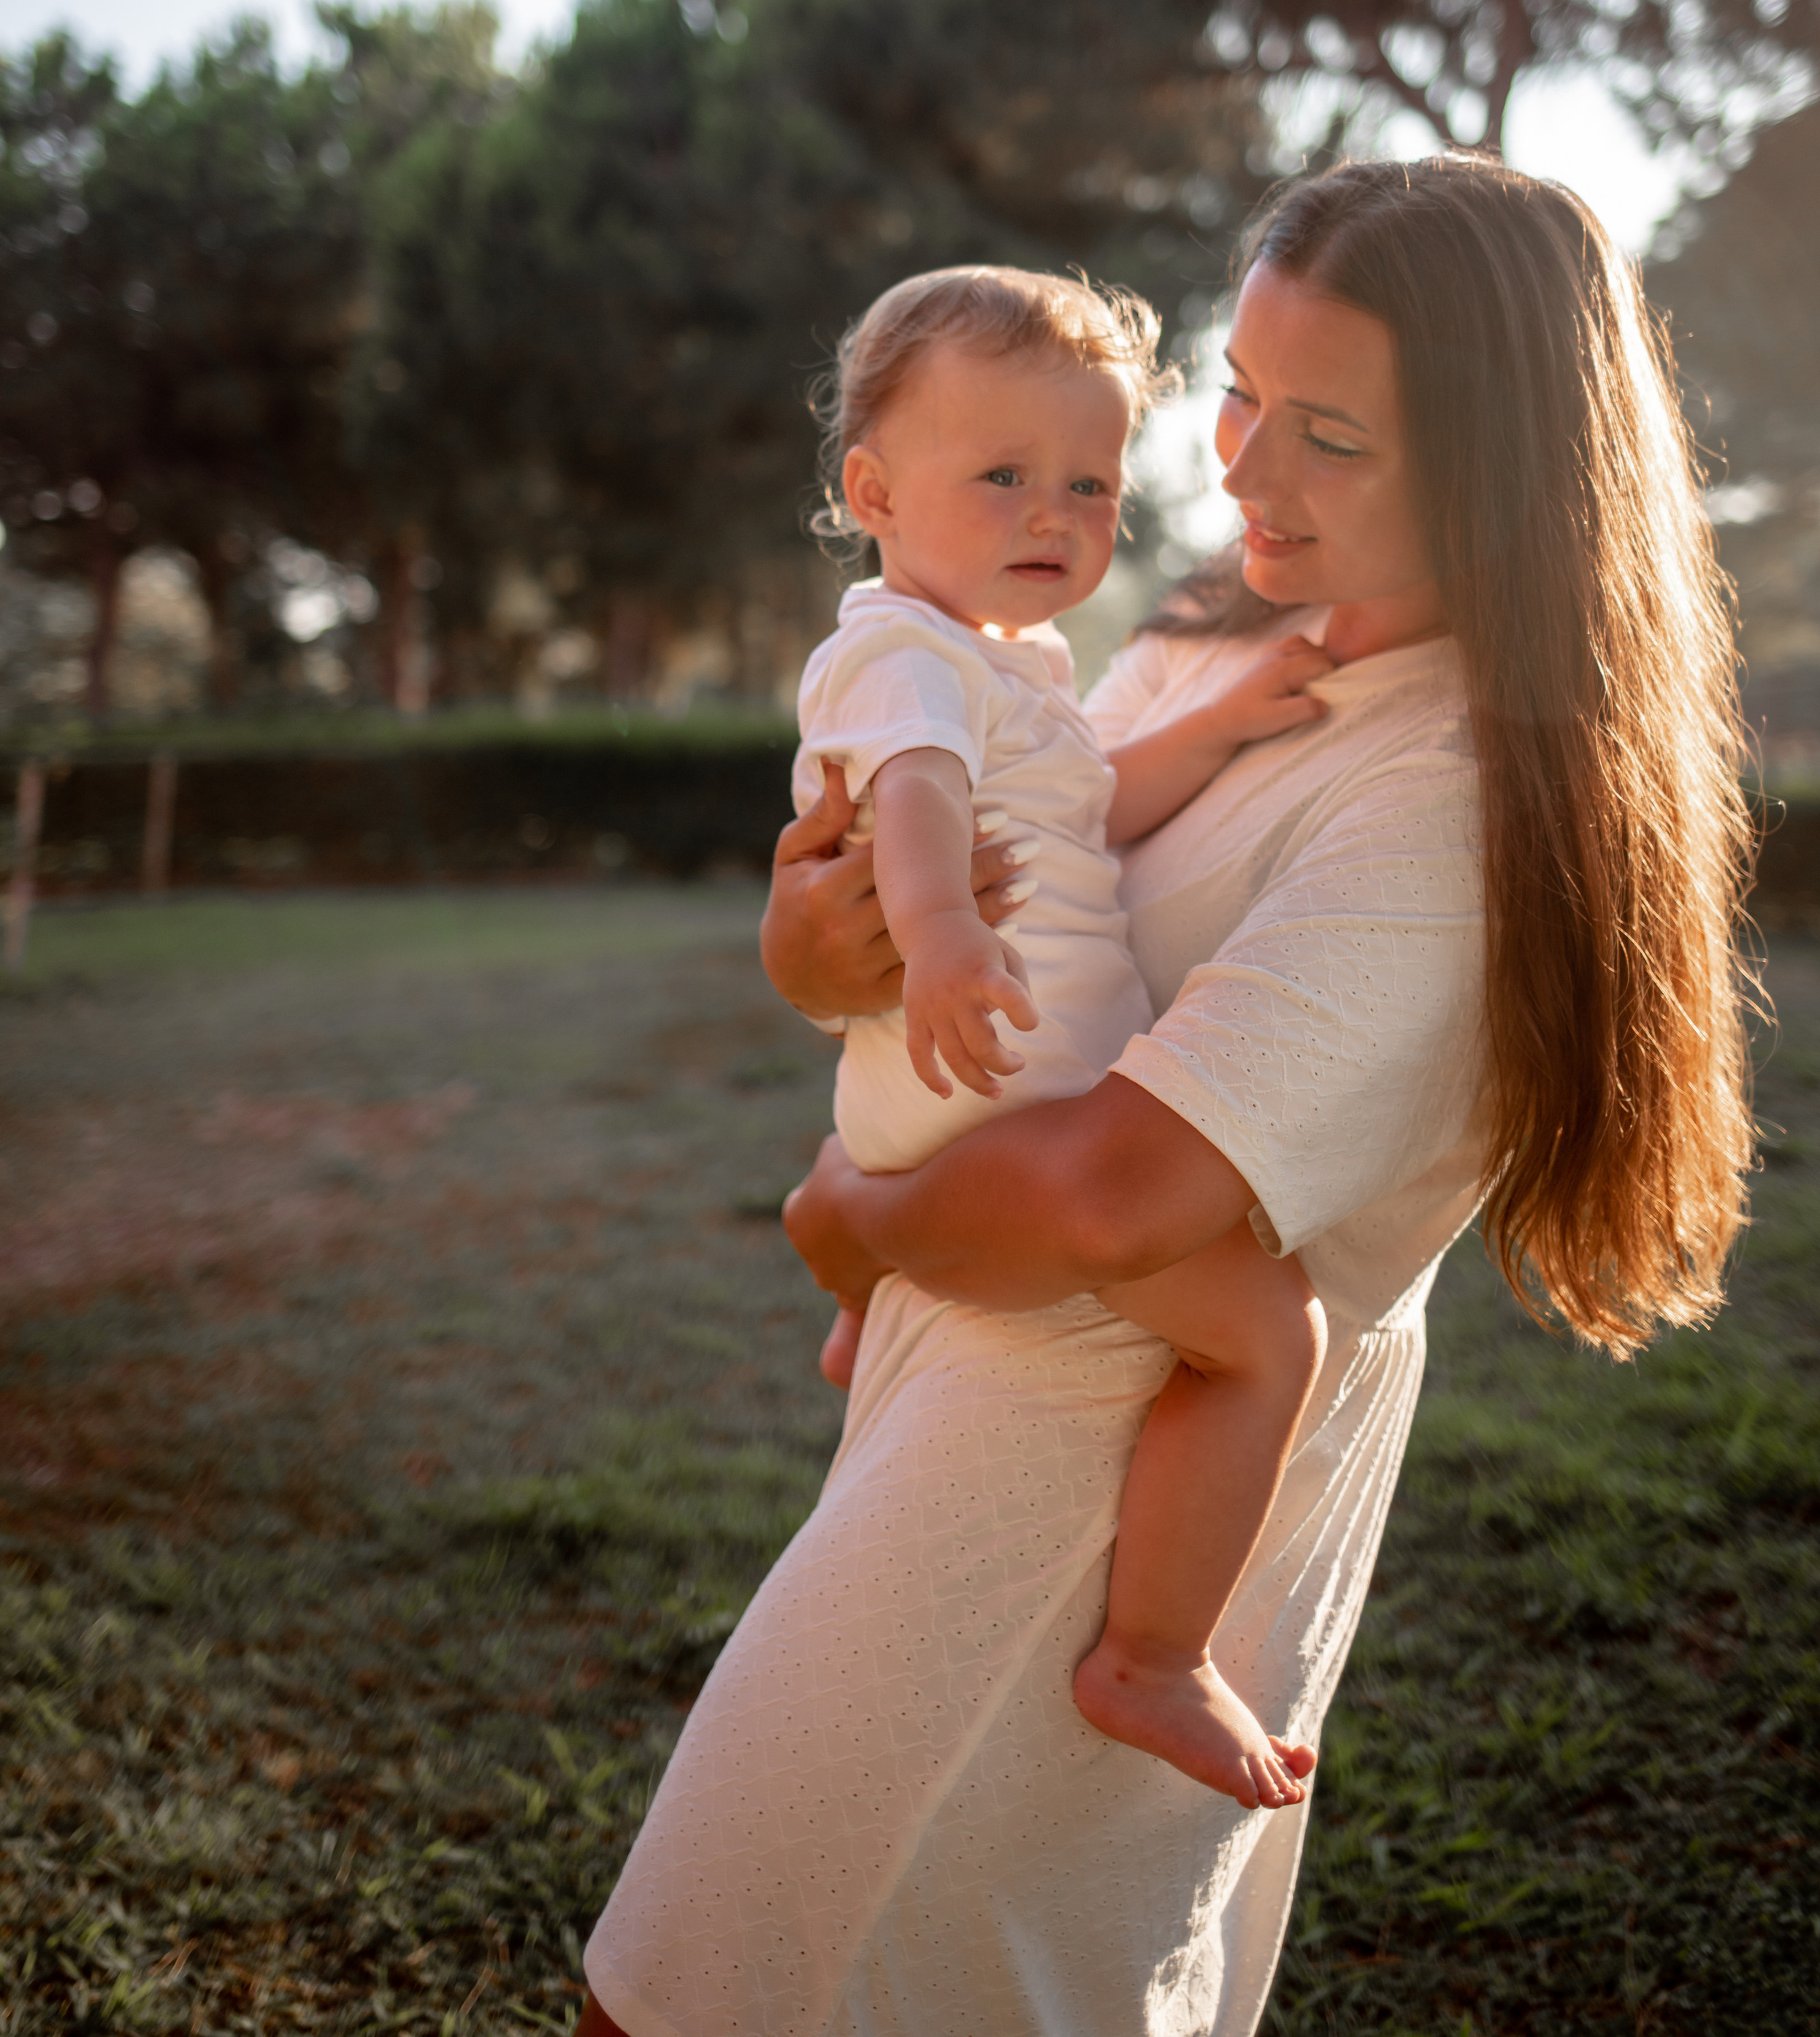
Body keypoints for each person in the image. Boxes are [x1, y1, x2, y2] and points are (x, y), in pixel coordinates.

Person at [576, 156, 1754, 2037]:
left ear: (1502, 463)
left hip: (1099, 1506)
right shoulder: (1215, 625)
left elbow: (1117, 1200)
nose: (1237, 475)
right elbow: (1010, 860)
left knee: (770, 1989)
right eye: (1239, 397)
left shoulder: (1463, 791)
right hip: (962, 1386)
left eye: (1328, 436)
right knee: (704, 1971)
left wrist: (848, 1224)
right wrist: (819, 953)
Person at [793, 263, 1336, 1809]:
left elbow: (1086, 802)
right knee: (1264, 1337)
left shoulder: (1004, 663)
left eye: (1088, 482)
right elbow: (910, 797)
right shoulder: (902, 659)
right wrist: (949, 940)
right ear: (874, 491)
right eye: (1005, 476)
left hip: (954, 1090)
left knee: (865, 1186)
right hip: (1003, 1093)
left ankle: (857, 1281)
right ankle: (1147, 1657)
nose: (1054, 513)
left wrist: (1219, 726)